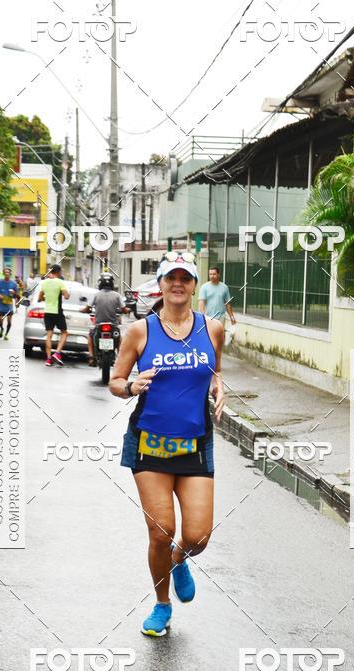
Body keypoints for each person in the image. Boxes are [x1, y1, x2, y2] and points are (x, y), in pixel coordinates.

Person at [110, 251, 225, 637]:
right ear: (160, 285)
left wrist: (218, 384)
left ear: (195, 285)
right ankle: (162, 605)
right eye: (170, 278)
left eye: (185, 278)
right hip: (149, 445)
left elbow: (214, 369)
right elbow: (115, 381)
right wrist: (130, 386)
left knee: (198, 537)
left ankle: (180, 558)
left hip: (194, 444)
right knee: (160, 531)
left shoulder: (213, 329)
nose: (177, 284)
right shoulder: (140, 332)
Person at [83, 272, 129, 365]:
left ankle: (91, 357)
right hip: (113, 325)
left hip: (98, 325)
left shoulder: (96, 295)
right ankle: (120, 359)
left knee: (90, 336)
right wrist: (127, 310)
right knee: (119, 338)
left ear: (100, 283)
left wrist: (82, 310)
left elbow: (87, 308)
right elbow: (124, 309)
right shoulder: (117, 295)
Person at [37, 264, 69, 366]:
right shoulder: (60, 282)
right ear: (58, 272)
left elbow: (39, 298)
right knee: (64, 333)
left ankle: (49, 358)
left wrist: (47, 298)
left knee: (49, 336)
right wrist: (66, 293)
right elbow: (66, 296)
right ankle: (57, 353)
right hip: (57, 311)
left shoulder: (44, 283)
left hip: (47, 312)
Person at [198, 267, 236, 336]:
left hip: (221, 317)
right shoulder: (204, 287)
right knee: (209, 337)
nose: (212, 276)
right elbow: (201, 303)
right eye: (210, 274)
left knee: (219, 337)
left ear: (218, 275)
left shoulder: (224, 287)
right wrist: (202, 318)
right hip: (208, 317)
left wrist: (232, 317)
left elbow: (228, 304)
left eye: (214, 274)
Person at [0, 267, 19, 340]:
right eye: (5, 272)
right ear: (3, 273)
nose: (7, 273)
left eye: (8, 272)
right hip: (0, 305)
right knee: (0, 321)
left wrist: (14, 294)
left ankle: (6, 335)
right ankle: (1, 328)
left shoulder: (13, 284)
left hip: (9, 306)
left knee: (9, 322)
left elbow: (17, 295)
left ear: (10, 274)